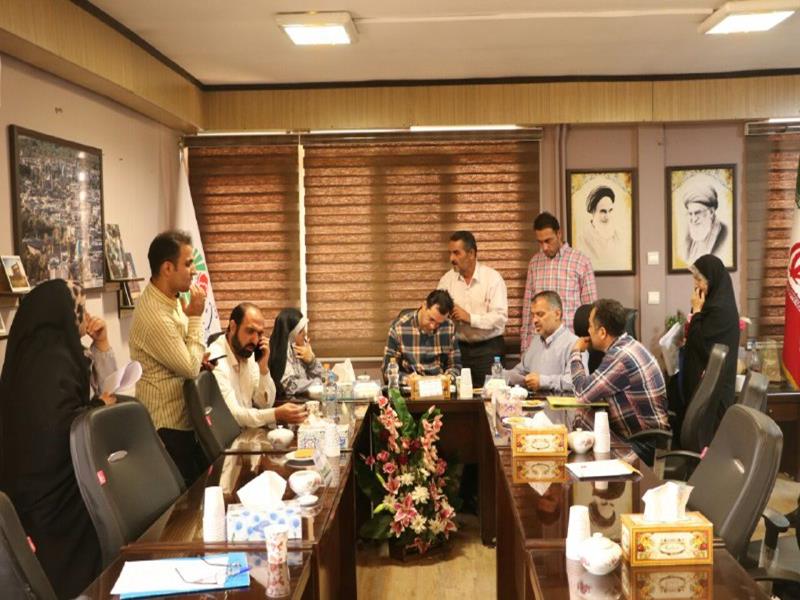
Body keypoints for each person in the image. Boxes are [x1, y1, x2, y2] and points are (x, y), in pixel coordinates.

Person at [0, 279, 116, 599]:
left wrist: (101, 345)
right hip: (52, 498)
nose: (84, 317)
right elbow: (58, 430)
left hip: (32, 495)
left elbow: (104, 389)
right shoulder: (53, 362)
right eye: (78, 309)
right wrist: (97, 408)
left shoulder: (34, 355)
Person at [129, 230, 210, 485]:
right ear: (167, 268)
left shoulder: (171, 299)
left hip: (183, 419)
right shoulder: (155, 315)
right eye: (188, 263)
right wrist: (195, 317)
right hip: (167, 427)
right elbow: (189, 368)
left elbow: (184, 354)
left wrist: (197, 354)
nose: (194, 271)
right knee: (184, 502)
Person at [570, 299, 669, 464]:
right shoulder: (630, 345)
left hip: (642, 445)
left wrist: (575, 352)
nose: (588, 331)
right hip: (644, 436)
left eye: (590, 326)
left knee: (582, 416)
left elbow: (581, 394)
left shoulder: (619, 357)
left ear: (602, 332)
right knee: (587, 417)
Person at [210, 303, 306, 427]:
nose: (255, 340)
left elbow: (265, 404)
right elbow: (234, 415)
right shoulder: (215, 360)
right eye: (250, 331)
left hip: (250, 431)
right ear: (233, 326)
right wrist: (276, 414)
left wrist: (263, 368)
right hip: (231, 435)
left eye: (260, 334)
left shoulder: (247, 352)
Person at [437, 230, 507, 384]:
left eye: (456, 253)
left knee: (490, 394)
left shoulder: (492, 279)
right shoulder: (446, 281)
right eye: (450, 253)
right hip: (458, 349)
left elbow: (500, 318)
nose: (451, 258)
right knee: (459, 395)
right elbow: (437, 314)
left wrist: (470, 318)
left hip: (489, 350)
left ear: (471, 254)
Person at [521, 212, 597, 351]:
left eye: (548, 241)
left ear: (559, 234)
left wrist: (586, 346)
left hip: (570, 344)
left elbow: (590, 310)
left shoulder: (581, 261)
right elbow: (527, 309)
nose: (544, 247)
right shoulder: (534, 263)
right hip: (540, 344)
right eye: (540, 242)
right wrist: (524, 347)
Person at [679, 254, 740, 428]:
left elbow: (702, 346)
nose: (695, 285)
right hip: (705, 390)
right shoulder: (712, 304)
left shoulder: (720, 310)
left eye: (699, 280)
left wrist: (697, 311)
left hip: (714, 395)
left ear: (712, 281)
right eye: (694, 279)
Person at [504, 291, 583, 392]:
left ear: (557, 314)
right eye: (533, 315)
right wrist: (500, 376)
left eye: (540, 314)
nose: (534, 320)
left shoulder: (575, 344)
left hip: (558, 401)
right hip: (532, 400)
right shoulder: (535, 341)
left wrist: (543, 381)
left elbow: (577, 382)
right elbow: (520, 371)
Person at [382, 289, 461, 383]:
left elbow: (455, 366)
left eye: (439, 323)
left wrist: (448, 378)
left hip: (439, 386)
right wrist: (407, 379)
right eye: (431, 319)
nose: (433, 326)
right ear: (424, 305)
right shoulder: (399, 327)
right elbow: (387, 370)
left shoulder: (449, 327)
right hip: (410, 387)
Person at [268, 308, 324, 398]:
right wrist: (319, 382)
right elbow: (291, 386)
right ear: (290, 335)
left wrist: (312, 361)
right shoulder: (282, 353)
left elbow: (323, 377)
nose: (305, 333)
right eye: (300, 331)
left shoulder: (300, 349)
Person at [680, 175, 729, 265]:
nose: (693, 219)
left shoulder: (724, 233)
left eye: (697, 213)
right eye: (690, 214)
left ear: (711, 212)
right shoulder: (687, 237)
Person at [580, 186, 622, 262]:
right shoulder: (583, 238)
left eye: (610, 210)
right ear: (593, 211)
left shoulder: (617, 236)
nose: (607, 217)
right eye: (603, 211)